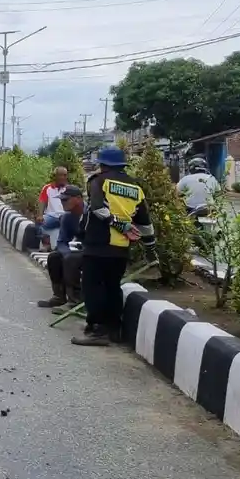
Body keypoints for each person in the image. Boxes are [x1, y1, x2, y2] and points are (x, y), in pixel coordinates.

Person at [74, 146, 156, 347]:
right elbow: (145, 223)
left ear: (103, 165)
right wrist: (150, 249)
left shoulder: (98, 181)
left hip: (98, 244)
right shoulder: (135, 187)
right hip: (120, 248)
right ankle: (114, 329)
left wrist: (119, 224)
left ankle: (97, 330)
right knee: (112, 287)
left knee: (92, 286)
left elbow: (97, 208)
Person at [39, 185, 85, 309]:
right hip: (80, 250)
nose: (62, 202)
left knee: (71, 260)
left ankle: (75, 300)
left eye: (66, 200)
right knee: (55, 257)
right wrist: (66, 253)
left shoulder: (90, 214)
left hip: (94, 251)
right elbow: (62, 242)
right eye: (61, 200)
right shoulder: (67, 218)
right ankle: (59, 296)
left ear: (78, 199)